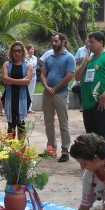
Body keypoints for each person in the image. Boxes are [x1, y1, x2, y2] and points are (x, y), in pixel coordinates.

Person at [75, 31, 105, 147]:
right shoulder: (89, 59)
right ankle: (93, 160)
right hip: (87, 102)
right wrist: (85, 62)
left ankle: (104, 160)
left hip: (101, 102)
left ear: (101, 42)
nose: (89, 45)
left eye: (92, 42)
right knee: (90, 134)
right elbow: (77, 77)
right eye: (88, 42)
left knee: (101, 132)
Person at [40, 32, 76, 162]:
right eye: (52, 41)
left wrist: (54, 89)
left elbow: (69, 76)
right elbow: (43, 74)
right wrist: (46, 87)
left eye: (56, 41)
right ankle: (51, 149)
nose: (53, 43)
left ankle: (65, 150)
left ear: (63, 42)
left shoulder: (69, 57)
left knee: (63, 123)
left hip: (60, 94)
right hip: (47, 94)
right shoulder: (49, 57)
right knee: (48, 123)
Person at [1, 41, 32, 140]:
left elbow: (27, 82)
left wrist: (11, 81)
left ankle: (20, 151)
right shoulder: (6, 64)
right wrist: (20, 81)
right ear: (11, 52)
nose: (17, 53)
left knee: (21, 124)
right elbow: (5, 80)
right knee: (11, 125)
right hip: (10, 98)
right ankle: (10, 151)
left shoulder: (28, 65)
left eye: (19, 51)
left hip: (23, 98)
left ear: (23, 52)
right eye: (14, 51)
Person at [26, 44, 38, 113]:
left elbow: (33, 65)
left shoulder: (35, 58)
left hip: (33, 76)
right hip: (27, 76)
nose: (32, 50)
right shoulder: (24, 58)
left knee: (31, 92)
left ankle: (29, 108)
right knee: (25, 91)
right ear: (27, 50)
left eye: (33, 49)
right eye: (31, 49)